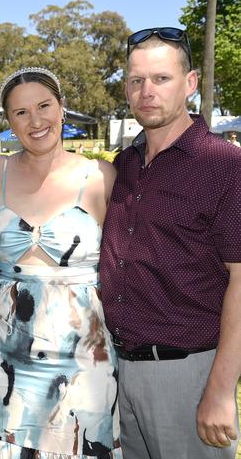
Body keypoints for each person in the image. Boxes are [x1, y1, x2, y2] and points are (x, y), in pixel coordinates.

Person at [100, 27, 241, 458]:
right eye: (136, 80)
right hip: (116, 372)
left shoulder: (225, 165)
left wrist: (220, 390)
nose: (147, 91)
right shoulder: (122, 166)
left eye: (161, 78)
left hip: (188, 374)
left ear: (191, 83)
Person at [0, 67, 121, 458]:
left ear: (61, 108)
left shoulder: (99, 176)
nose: (35, 121)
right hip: (3, 353)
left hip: (83, 356)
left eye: (44, 106)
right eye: (21, 113)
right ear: (9, 122)